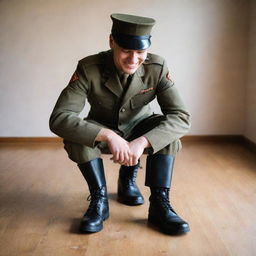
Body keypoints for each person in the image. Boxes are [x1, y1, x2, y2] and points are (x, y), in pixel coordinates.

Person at [49, 13, 191, 235]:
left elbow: (181, 117)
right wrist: (108, 136)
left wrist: (143, 141)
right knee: (76, 138)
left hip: (141, 127)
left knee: (168, 136)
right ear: (111, 42)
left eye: (140, 52)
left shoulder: (158, 67)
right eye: (126, 50)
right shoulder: (89, 67)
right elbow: (60, 117)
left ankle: (159, 204)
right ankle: (99, 199)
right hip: (102, 127)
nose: (133, 59)